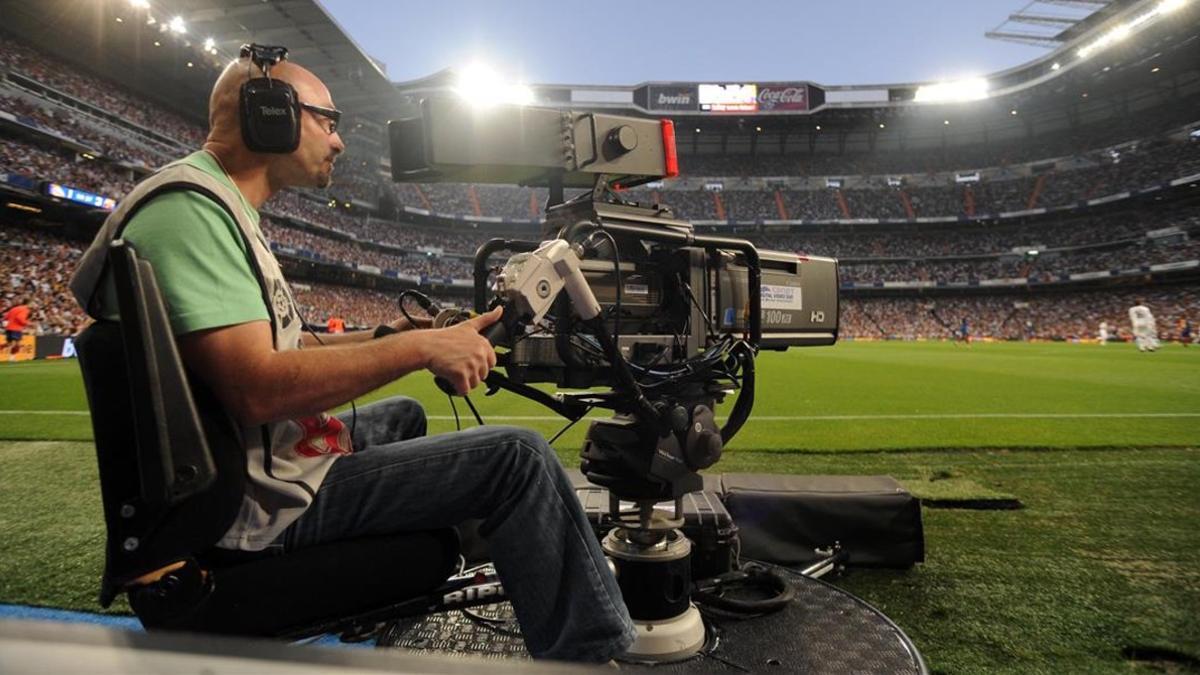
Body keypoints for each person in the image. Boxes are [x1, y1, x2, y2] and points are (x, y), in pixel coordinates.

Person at [69, 52, 634, 662]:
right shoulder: (191, 214)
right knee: (516, 459)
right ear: (270, 116)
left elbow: (279, 351)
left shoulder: (216, 207)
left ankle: (441, 563)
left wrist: (392, 336)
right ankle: (590, 650)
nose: (339, 140)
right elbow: (258, 387)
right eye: (327, 120)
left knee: (401, 418)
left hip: (252, 465)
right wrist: (422, 348)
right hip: (256, 511)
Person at [3, 297, 31, 362]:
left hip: (9, 328)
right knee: (16, 344)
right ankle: (11, 358)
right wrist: (28, 323)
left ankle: (11, 358)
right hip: (16, 328)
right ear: (29, 303)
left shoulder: (14, 308)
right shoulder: (25, 309)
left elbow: (6, 317)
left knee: (9, 344)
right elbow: (20, 318)